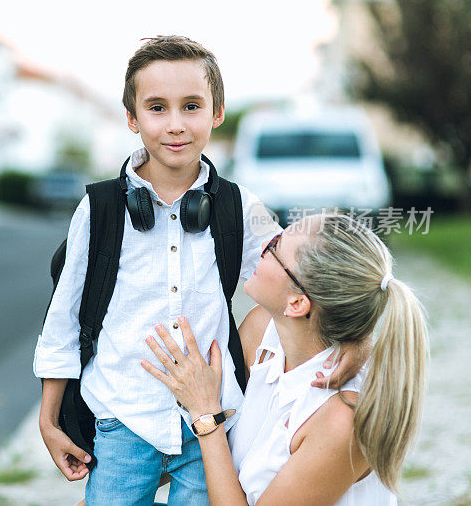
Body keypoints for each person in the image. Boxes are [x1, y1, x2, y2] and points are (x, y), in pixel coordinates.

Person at [34, 36, 366, 505]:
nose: (175, 125)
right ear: (132, 118)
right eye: (156, 108)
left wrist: (359, 338)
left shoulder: (239, 208)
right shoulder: (99, 210)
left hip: (210, 420)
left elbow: (307, 276)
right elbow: (62, 322)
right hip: (122, 418)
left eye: (191, 106)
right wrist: (50, 420)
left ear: (217, 112)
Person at [143, 213, 428, 505]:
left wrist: (205, 414)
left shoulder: (342, 420)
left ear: (297, 303)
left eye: (275, 247)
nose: (263, 244)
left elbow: (210, 422)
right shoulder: (262, 332)